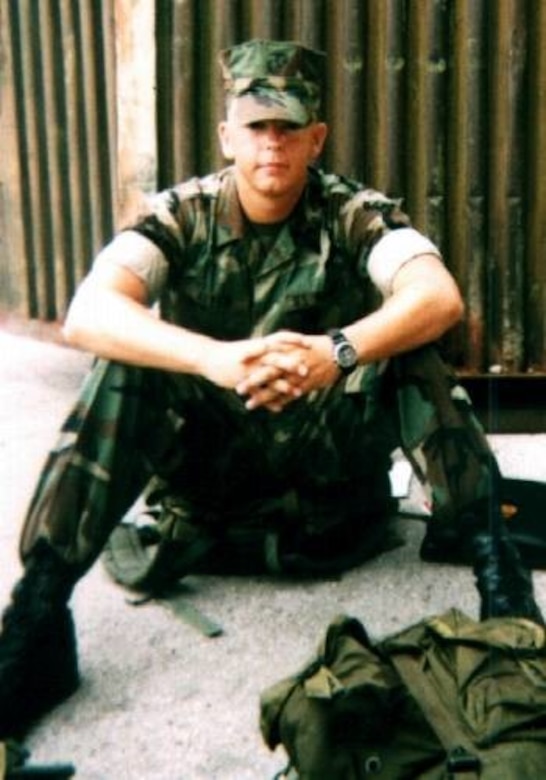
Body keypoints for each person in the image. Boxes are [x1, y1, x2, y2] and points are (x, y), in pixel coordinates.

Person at [0, 38, 542, 740]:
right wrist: (212, 360)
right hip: (210, 492)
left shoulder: (352, 213)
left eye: (289, 128)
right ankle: (36, 622)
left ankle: (504, 595)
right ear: (227, 135)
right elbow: (88, 311)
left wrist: (336, 352)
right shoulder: (182, 215)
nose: (271, 145)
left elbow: (438, 295)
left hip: (328, 491)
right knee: (125, 361)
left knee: (413, 350)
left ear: (316, 139)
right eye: (255, 126)